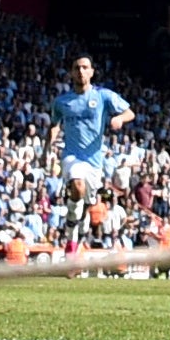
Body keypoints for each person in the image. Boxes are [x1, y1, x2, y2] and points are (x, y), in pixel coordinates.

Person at [50, 55, 134, 255]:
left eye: (85, 67)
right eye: (77, 67)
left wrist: (120, 119)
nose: (80, 71)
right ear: (71, 73)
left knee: (86, 206)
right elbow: (55, 125)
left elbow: (130, 112)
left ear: (91, 72)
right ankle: (70, 240)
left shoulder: (103, 96)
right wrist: (47, 148)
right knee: (77, 186)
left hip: (95, 162)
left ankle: (74, 244)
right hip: (72, 155)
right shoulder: (62, 102)